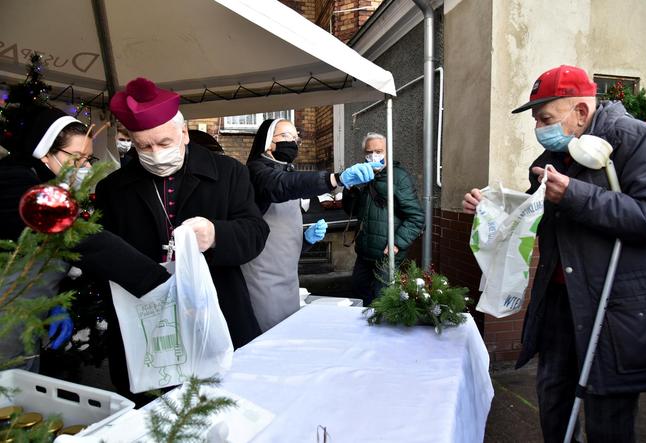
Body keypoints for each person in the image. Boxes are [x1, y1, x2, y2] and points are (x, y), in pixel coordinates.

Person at [463, 65, 646, 442]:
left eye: (545, 118)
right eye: (537, 120)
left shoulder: (639, 141)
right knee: (554, 400)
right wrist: (490, 208)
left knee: (608, 416)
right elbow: (531, 214)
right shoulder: (553, 156)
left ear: (581, 113)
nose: (539, 128)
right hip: (559, 301)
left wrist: (576, 195)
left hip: (613, 307)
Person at [96, 77, 269, 397]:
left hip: (219, 306)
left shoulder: (229, 172)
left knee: (227, 401)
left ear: (184, 133)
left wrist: (216, 235)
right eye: (143, 146)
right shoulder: (113, 188)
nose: (155, 154)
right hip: (149, 318)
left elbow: (256, 233)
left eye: (163, 143)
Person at [0, 106, 170, 372]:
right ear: (45, 154)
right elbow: (83, 240)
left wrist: (55, 301)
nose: (86, 167)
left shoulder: (49, 185)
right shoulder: (15, 183)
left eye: (89, 159)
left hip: (25, 313)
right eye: (77, 158)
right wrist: (159, 281)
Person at [241, 118, 379, 331]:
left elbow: (281, 231)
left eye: (295, 137)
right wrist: (335, 179)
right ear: (269, 142)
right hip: (261, 280)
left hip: (288, 279)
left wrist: (304, 239)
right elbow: (281, 186)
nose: (293, 142)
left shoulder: (286, 172)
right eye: (286, 136)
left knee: (286, 334)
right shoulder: (257, 172)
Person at [342, 132, 425, 306]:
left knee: (383, 300)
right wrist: (349, 190)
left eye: (379, 151)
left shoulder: (398, 178)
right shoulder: (364, 176)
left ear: (388, 153)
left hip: (387, 255)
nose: (373, 156)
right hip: (365, 253)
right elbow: (352, 211)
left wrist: (397, 243)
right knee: (358, 293)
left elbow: (416, 217)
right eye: (369, 152)